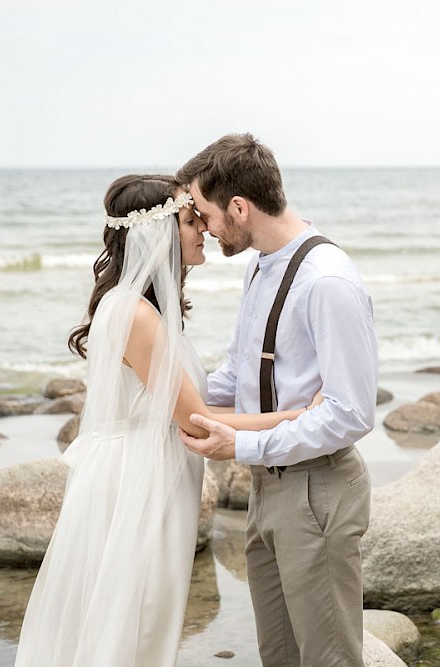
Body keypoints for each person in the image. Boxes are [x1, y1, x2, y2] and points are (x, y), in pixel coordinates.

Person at [15, 174, 320, 667]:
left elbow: (188, 399)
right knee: (134, 623)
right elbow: (196, 418)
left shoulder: (138, 309)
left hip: (144, 472)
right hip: (140, 483)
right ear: (156, 234)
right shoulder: (136, 315)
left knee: (131, 615)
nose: (203, 227)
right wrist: (304, 414)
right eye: (189, 219)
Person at [176, 134, 378, 666]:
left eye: (206, 213)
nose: (205, 226)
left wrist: (239, 444)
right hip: (269, 485)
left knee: (328, 658)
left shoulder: (327, 282)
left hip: (317, 490)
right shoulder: (261, 264)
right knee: (280, 656)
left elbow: (351, 412)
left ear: (239, 207)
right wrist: (168, 392)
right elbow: (241, 373)